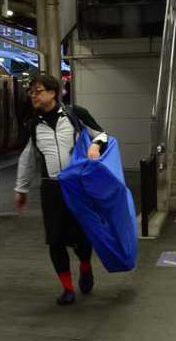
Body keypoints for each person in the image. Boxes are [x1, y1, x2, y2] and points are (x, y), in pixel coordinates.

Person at [13, 73, 110, 306]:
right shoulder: (33, 124)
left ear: (52, 93)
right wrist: (21, 189)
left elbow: (103, 134)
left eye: (38, 91)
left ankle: (85, 266)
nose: (33, 96)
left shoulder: (76, 114)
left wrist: (95, 146)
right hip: (51, 189)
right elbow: (28, 157)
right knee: (54, 240)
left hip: (77, 186)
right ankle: (67, 289)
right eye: (31, 92)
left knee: (82, 236)